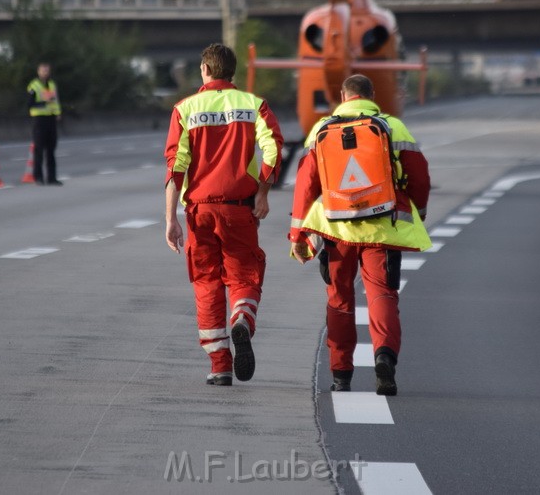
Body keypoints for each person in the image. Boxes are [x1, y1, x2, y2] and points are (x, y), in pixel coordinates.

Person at [289, 74, 431, 396]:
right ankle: (384, 358)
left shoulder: (321, 129)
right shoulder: (392, 126)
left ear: (343, 96)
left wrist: (297, 234)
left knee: (339, 299)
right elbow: (419, 175)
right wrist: (418, 212)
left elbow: (305, 185)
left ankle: (341, 376)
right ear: (372, 95)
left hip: (336, 229)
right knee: (381, 295)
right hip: (381, 226)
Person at [164, 43, 284, 387]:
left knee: (207, 283)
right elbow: (273, 146)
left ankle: (220, 365)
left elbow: (176, 166)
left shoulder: (184, 108)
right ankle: (242, 318)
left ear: (205, 70)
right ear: (233, 71)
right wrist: (263, 190)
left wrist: (171, 218)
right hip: (239, 210)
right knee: (244, 275)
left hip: (199, 212)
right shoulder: (253, 105)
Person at [27, 62, 62, 185]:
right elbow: (29, 104)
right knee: (39, 149)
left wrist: (58, 113)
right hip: (39, 119)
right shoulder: (34, 85)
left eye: (47, 71)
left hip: (51, 119)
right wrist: (44, 103)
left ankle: (51, 178)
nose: (45, 73)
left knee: (51, 150)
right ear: (38, 72)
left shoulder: (52, 84)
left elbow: (56, 101)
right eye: (43, 71)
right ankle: (38, 177)